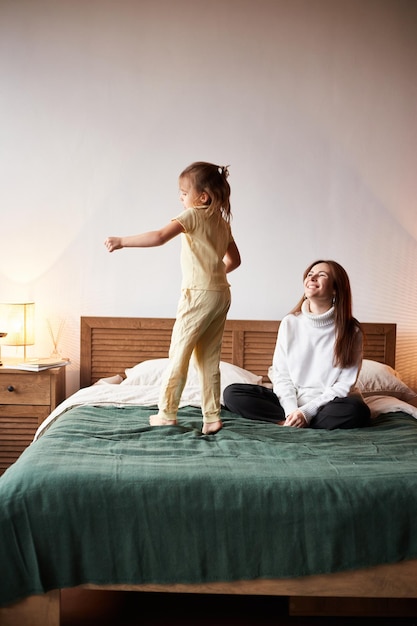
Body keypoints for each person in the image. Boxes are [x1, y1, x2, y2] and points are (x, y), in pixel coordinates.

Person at [104, 161, 241, 434]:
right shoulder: (222, 223)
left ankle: (167, 412)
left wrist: (121, 241)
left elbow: (158, 237)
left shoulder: (192, 216)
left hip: (198, 295)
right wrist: (213, 275)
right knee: (209, 359)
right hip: (221, 294)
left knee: (178, 354)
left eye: (183, 192)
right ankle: (212, 416)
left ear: (202, 196)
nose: (180, 197)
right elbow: (235, 261)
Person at [223, 260, 371, 430]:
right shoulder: (290, 323)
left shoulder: (352, 330)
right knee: (232, 393)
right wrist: (292, 411)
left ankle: (296, 423)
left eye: (321, 275)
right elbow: (281, 375)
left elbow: (344, 385)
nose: (312, 277)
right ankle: (292, 422)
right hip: (289, 401)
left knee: (357, 410)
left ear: (336, 288)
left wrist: (306, 413)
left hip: (329, 404)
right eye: (310, 274)